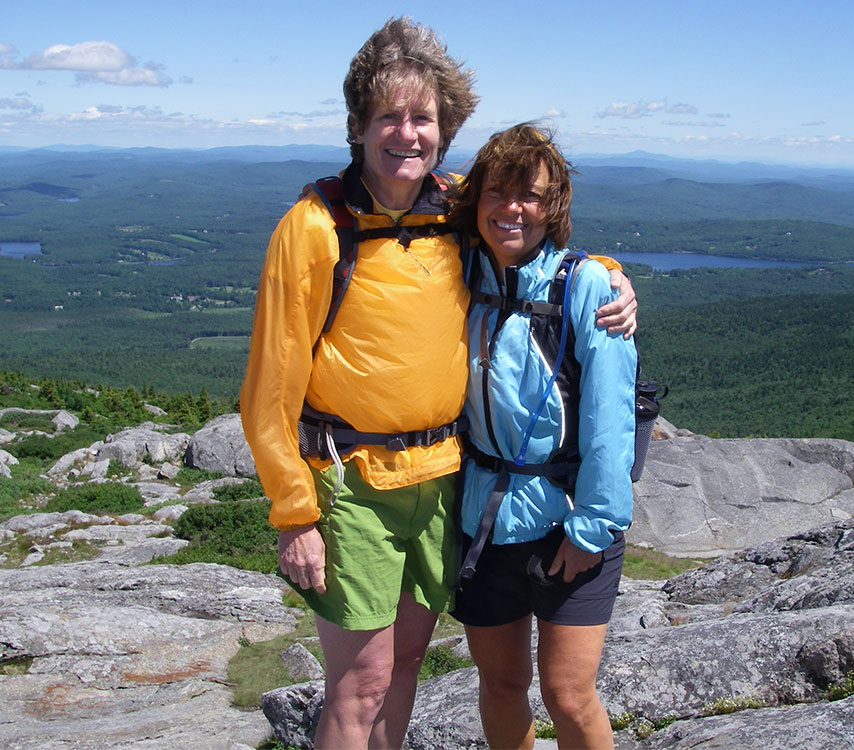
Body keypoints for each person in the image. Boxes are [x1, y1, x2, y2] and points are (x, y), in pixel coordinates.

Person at [240, 19, 637, 749]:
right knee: (359, 685)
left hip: (444, 482)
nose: (406, 134)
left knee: (405, 670)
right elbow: (268, 387)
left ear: (445, 130)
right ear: (357, 125)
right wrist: (293, 512)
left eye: (423, 118)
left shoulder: (454, 208)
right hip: (352, 480)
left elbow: (527, 237)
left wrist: (609, 275)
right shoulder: (315, 228)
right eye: (388, 116)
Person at [449, 123, 636, 750]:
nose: (513, 207)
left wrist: (592, 530)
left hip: (568, 521)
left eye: (530, 194)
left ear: (553, 208)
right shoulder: (459, 268)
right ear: (476, 199)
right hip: (485, 518)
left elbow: (610, 418)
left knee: (567, 693)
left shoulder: (587, 286)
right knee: (500, 686)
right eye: (498, 190)